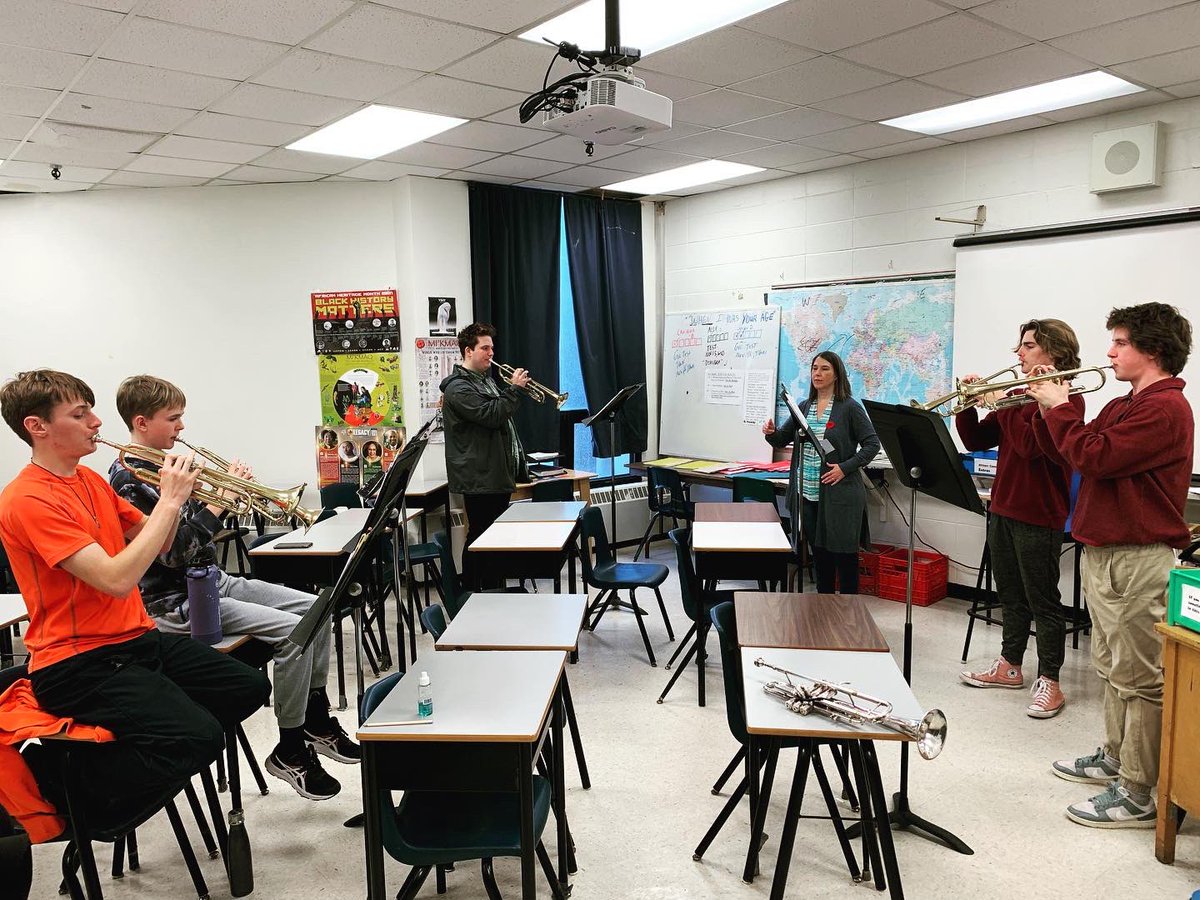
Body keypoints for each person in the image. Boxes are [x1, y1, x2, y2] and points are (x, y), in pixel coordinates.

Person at [0, 370, 269, 825]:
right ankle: (67, 790)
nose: (96, 422)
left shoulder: (89, 481)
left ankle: (144, 749)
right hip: (77, 662)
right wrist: (170, 501)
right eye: (79, 415)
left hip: (134, 641)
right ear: (36, 426)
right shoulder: (27, 499)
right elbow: (116, 579)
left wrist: (193, 497)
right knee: (199, 737)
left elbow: (162, 545)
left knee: (248, 687)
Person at [109, 376, 359, 802]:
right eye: (173, 418)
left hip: (212, 580)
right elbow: (173, 554)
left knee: (320, 607)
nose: (182, 427)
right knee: (292, 634)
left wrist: (223, 494)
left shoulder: (167, 465)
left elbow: (196, 540)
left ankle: (316, 719)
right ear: (141, 422)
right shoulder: (128, 480)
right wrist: (215, 503)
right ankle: (291, 746)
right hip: (176, 602)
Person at [1028, 302, 1193, 829]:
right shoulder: (1126, 404)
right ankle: (1117, 758)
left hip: (1136, 557)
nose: (1110, 352)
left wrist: (1061, 406)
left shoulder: (1165, 409)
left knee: (1139, 677)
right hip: (1106, 552)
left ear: (1153, 350)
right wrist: (1046, 407)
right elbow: (1073, 452)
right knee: (1112, 666)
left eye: (1120, 342)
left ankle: (1139, 792)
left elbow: (1095, 457)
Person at [957, 319, 1083, 719]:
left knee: (1042, 600)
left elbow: (1030, 446)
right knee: (1009, 595)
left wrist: (1000, 402)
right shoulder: (1017, 394)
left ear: (1053, 351)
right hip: (1003, 507)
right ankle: (1010, 665)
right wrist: (969, 404)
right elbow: (976, 440)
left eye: (1028, 345)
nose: (1018, 352)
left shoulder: (1067, 398)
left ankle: (1051, 681)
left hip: (1039, 513)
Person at [762, 351, 880, 593]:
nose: (817, 373)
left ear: (836, 375)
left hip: (840, 495)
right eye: (814, 368)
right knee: (821, 558)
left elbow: (872, 445)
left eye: (825, 369)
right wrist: (770, 433)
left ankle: (847, 612)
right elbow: (782, 439)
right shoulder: (804, 407)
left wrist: (844, 468)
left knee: (844, 558)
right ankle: (823, 609)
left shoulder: (849, 408)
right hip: (807, 494)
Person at [440, 323, 529, 588]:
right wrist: (514, 389)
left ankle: (493, 588)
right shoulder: (458, 388)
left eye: (492, 347)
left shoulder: (484, 380)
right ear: (468, 351)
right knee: (481, 535)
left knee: (493, 536)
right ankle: (472, 591)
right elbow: (491, 415)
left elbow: (497, 411)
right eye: (485, 348)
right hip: (479, 475)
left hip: (492, 472)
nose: (491, 353)